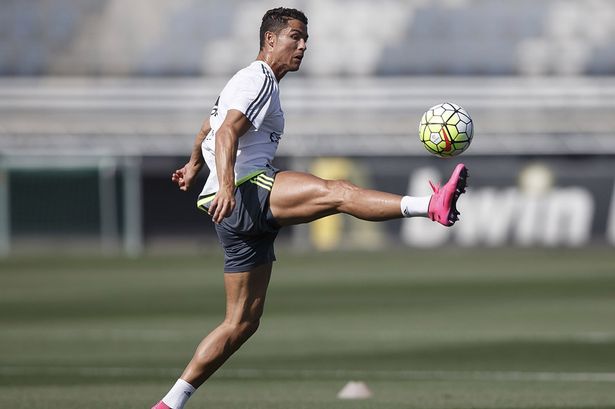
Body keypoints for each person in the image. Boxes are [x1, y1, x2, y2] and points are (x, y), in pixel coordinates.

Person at [153, 7, 467, 409]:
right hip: (246, 191)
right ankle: (431, 205)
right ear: (270, 40)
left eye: (306, 39)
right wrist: (228, 183)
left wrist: (196, 163)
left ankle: (169, 403)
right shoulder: (259, 78)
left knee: (241, 323)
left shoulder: (249, 81)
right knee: (336, 192)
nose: (303, 46)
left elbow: (209, 123)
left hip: (229, 213)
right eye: (295, 37)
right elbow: (228, 128)